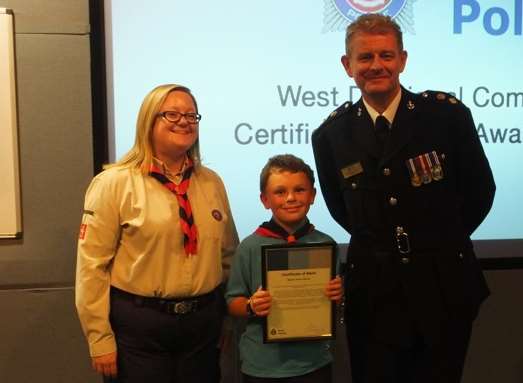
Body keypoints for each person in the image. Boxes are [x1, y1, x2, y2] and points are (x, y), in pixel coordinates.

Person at [312, 13, 495, 383]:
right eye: (365, 58)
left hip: (444, 287)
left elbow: (480, 192)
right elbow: (341, 209)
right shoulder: (331, 135)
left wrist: (438, 241)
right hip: (376, 296)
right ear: (348, 66)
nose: (376, 66)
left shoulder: (446, 117)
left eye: (386, 55)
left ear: (403, 60)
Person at [75, 84, 239, 382]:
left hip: (202, 327)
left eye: (191, 115)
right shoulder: (113, 183)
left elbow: (228, 257)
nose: (184, 121)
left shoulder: (211, 182)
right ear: (148, 121)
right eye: (172, 114)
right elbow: (91, 268)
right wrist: (99, 338)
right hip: (140, 330)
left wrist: (225, 319)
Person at [225, 154, 343, 383]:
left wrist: (337, 296)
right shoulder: (249, 247)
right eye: (280, 192)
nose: (291, 198)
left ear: (313, 196)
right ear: (265, 200)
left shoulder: (326, 244)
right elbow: (233, 303)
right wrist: (251, 305)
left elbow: (331, 305)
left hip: (315, 362)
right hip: (262, 366)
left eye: (300, 190)